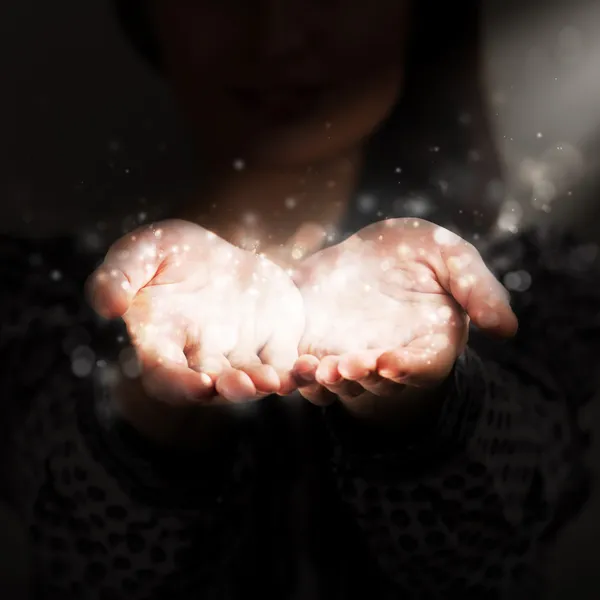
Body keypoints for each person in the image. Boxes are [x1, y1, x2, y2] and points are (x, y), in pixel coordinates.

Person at [0, 1, 596, 599]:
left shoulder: (534, 283)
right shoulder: (39, 296)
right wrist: (149, 412)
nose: (279, 35)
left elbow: (503, 530)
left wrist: (425, 409)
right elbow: (77, 552)